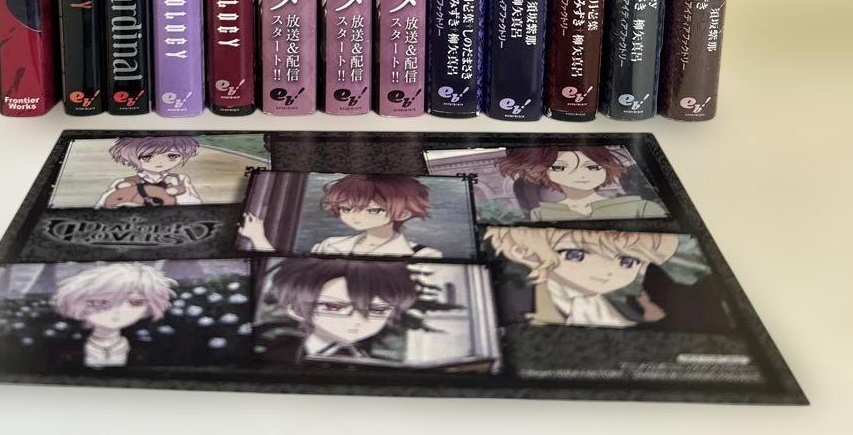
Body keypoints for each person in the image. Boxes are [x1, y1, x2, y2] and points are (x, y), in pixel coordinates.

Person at [485, 226, 680, 327]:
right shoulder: (508, 295)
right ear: (523, 251)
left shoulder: (603, 309)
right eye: (575, 254)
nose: (606, 271)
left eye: (627, 261)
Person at [240, 174, 441, 257]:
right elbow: (290, 274)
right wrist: (258, 238)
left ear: (403, 213)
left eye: (373, 210)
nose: (356, 216)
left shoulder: (424, 255)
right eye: (346, 209)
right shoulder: (330, 245)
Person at [263, 258, 418, 363]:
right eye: (333, 307)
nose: (358, 319)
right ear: (296, 310)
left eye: (378, 310)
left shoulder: (381, 362)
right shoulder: (273, 355)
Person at [53, 263, 177, 368]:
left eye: (135, 302)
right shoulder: (64, 349)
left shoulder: (149, 350)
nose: (117, 311)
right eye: (100, 302)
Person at [497, 147, 665, 221]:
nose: (580, 175)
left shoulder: (642, 208)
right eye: (561, 168)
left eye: (592, 167)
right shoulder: (540, 214)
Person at [96, 135, 202, 208]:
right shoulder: (123, 182)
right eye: (147, 157)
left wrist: (178, 193)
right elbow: (102, 205)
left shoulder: (180, 179)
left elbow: (194, 204)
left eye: (172, 156)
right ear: (129, 157)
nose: (160, 162)